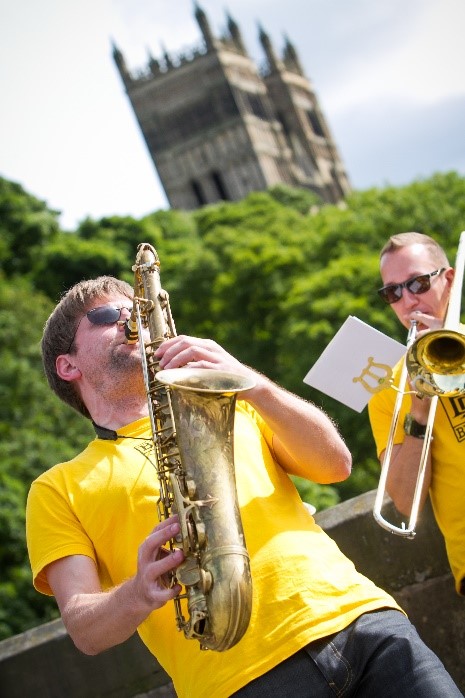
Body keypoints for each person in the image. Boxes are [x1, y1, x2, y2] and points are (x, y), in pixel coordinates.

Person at [26, 273, 462, 698]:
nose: (130, 317)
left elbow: (335, 464)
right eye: (106, 314)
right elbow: (84, 628)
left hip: (361, 619)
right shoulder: (56, 487)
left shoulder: (234, 401)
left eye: (136, 308)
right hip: (238, 682)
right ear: (68, 365)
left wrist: (246, 381)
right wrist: (138, 590)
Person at [368, 231, 465, 595]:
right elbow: (407, 503)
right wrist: (419, 412)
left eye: (418, 283)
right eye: (393, 292)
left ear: (449, 279)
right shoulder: (388, 391)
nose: (408, 301)